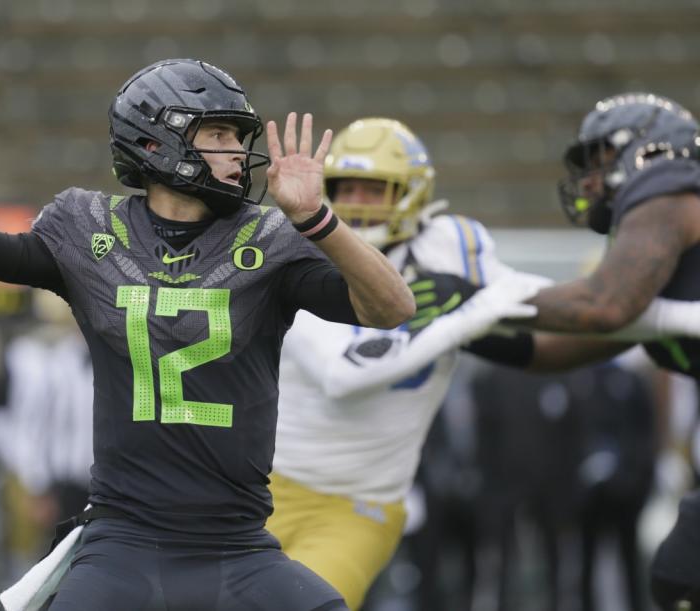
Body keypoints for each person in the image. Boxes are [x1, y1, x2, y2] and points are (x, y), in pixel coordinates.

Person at [0, 58, 415, 611]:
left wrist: (318, 219)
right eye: (218, 133)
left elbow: (392, 307)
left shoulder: (269, 236)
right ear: (156, 141)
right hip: (123, 545)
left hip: (238, 546)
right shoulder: (87, 229)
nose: (236, 151)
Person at [267, 115, 700, 610]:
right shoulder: (299, 249)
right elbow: (342, 376)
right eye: (348, 189)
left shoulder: (452, 245)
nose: (359, 206)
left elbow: (545, 302)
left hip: (359, 501)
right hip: (261, 488)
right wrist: (466, 315)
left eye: (376, 189)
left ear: (412, 193)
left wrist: (682, 316)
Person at [510, 92, 700, 611]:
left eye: (602, 161)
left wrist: (483, 295)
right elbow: (553, 348)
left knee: (680, 574)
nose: (591, 181)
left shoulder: (671, 194)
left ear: (653, 153)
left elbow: (603, 305)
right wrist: (457, 324)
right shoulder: (668, 250)